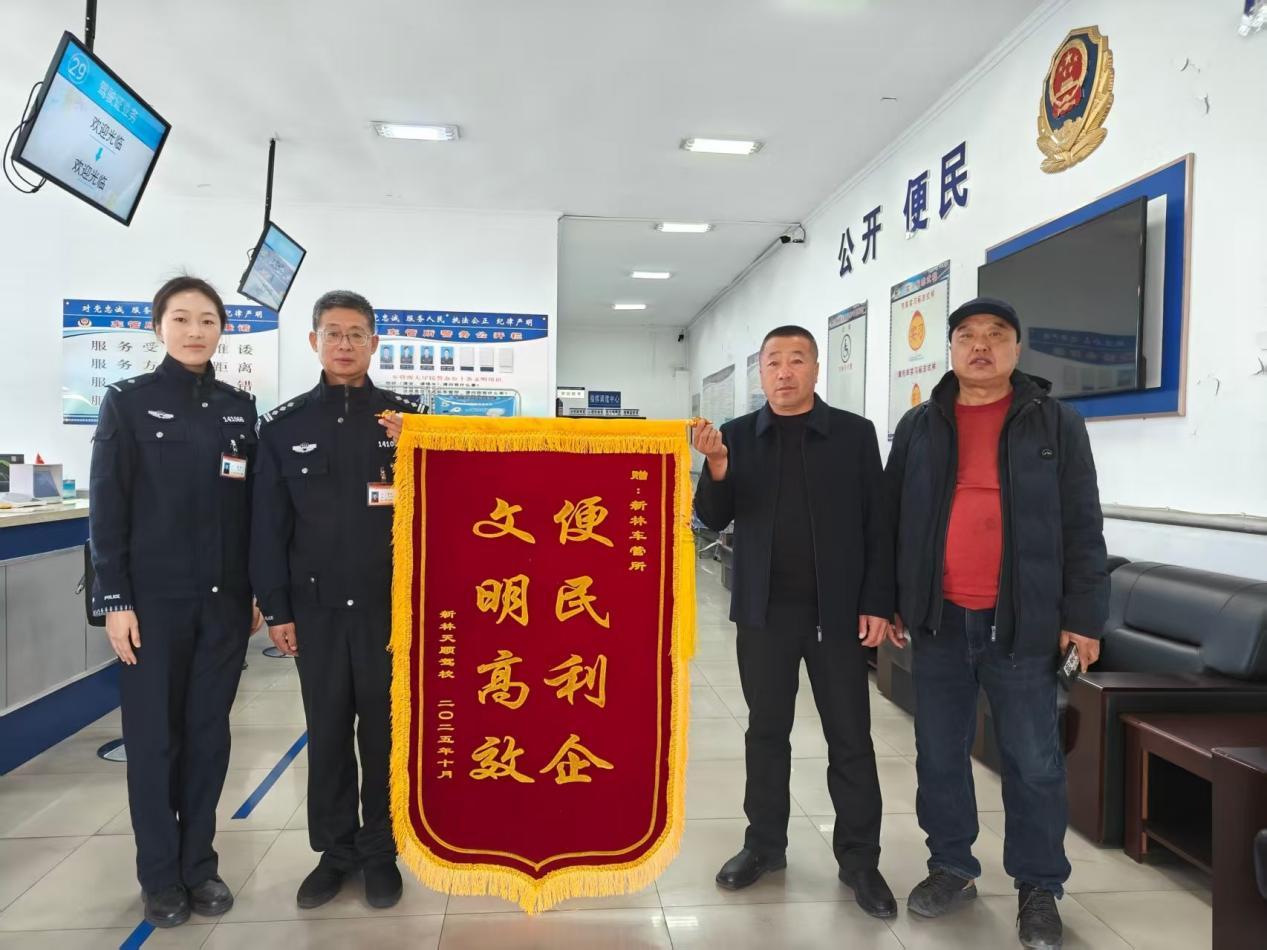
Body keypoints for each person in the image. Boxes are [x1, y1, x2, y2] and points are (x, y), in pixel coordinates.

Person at [885, 297, 1108, 950]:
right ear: (950, 349)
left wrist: (1083, 618)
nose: (980, 346)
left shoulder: (1056, 423)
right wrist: (892, 597)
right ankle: (951, 866)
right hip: (939, 621)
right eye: (967, 335)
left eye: (995, 334)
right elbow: (892, 518)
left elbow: (1082, 525)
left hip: (1024, 625)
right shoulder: (920, 424)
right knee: (938, 754)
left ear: (1016, 348)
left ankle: (1039, 887)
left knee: (1033, 762)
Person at [692, 325, 898, 918]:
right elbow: (712, 518)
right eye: (773, 362)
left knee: (850, 737)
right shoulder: (736, 437)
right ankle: (763, 845)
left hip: (838, 613)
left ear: (815, 368)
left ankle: (860, 860)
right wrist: (717, 464)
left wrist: (878, 602)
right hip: (764, 613)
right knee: (766, 732)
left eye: (796, 360)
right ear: (761, 373)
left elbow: (878, 523)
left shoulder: (853, 435)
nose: (784, 372)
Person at [89, 276, 258, 928]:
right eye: (182, 318)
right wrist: (115, 600)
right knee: (154, 741)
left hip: (222, 607)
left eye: (207, 320)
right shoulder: (128, 403)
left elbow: (249, 512)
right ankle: (160, 877)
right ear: (158, 326)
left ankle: (199, 867)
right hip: (152, 607)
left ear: (221, 330)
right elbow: (108, 507)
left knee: (208, 739)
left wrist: (254, 594)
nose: (195, 331)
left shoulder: (238, 409)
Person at [250, 290, 417, 910]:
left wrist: (422, 445)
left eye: (356, 334)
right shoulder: (285, 427)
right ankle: (336, 852)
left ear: (374, 343)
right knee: (326, 732)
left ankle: (381, 851)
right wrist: (277, 608)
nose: (344, 344)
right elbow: (268, 527)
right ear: (313, 341)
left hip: (389, 610)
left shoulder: (410, 422)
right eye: (333, 333)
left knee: (384, 733)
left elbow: (454, 502)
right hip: (315, 611)